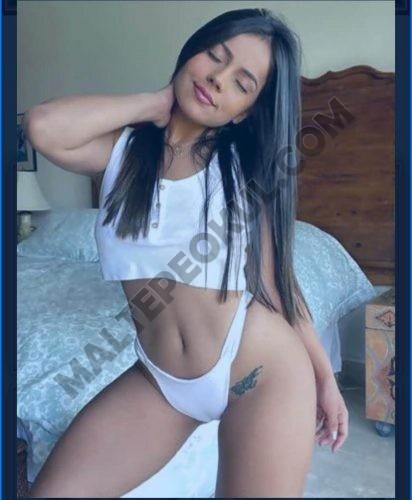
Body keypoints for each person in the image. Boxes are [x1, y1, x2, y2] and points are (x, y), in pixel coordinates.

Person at [23, 8, 348, 498]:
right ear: (191, 52)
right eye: (214, 56)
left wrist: (324, 378)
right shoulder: (122, 154)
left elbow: (276, 284)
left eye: (241, 83)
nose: (217, 79)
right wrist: (155, 103)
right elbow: (42, 126)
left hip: (259, 370)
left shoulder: (243, 169)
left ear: (244, 111)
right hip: (160, 382)